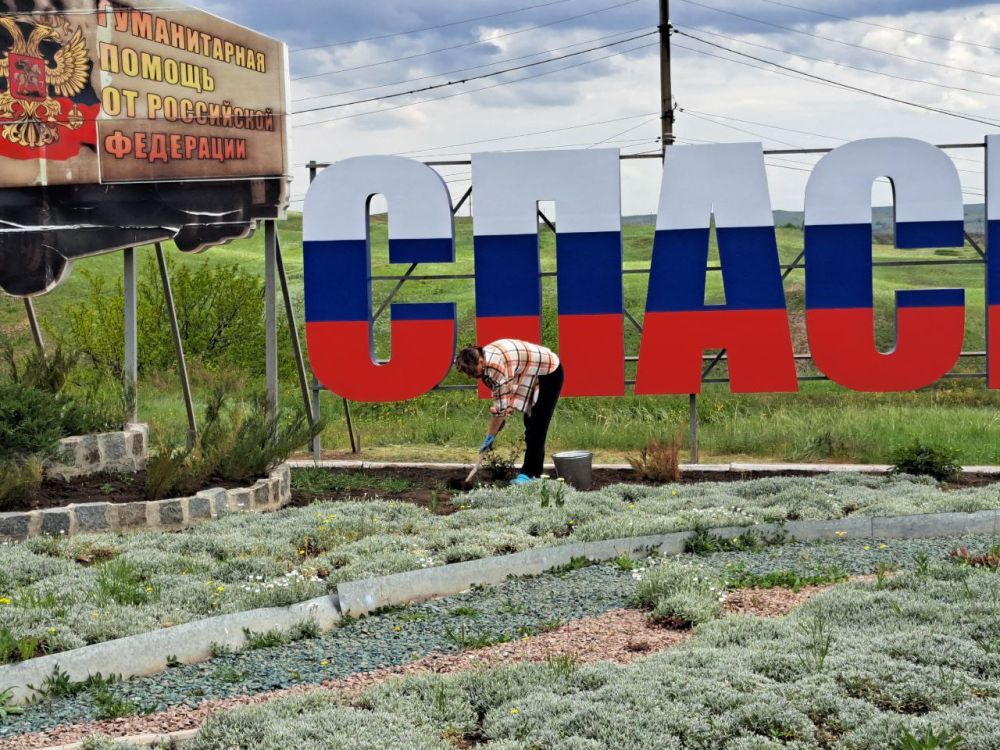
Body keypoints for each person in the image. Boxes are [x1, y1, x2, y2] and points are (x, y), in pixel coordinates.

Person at [454, 339, 564, 485]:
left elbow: (500, 409)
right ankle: (532, 471)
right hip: (529, 373)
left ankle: (531, 474)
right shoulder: (485, 358)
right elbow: (501, 395)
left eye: (472, 371)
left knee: (537, 427)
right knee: (530, 425)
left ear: (481, 361)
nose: (470, 376)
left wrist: (490, 435)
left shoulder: (495, 366)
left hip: (549, 373)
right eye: (467, 373)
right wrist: (502, 412)